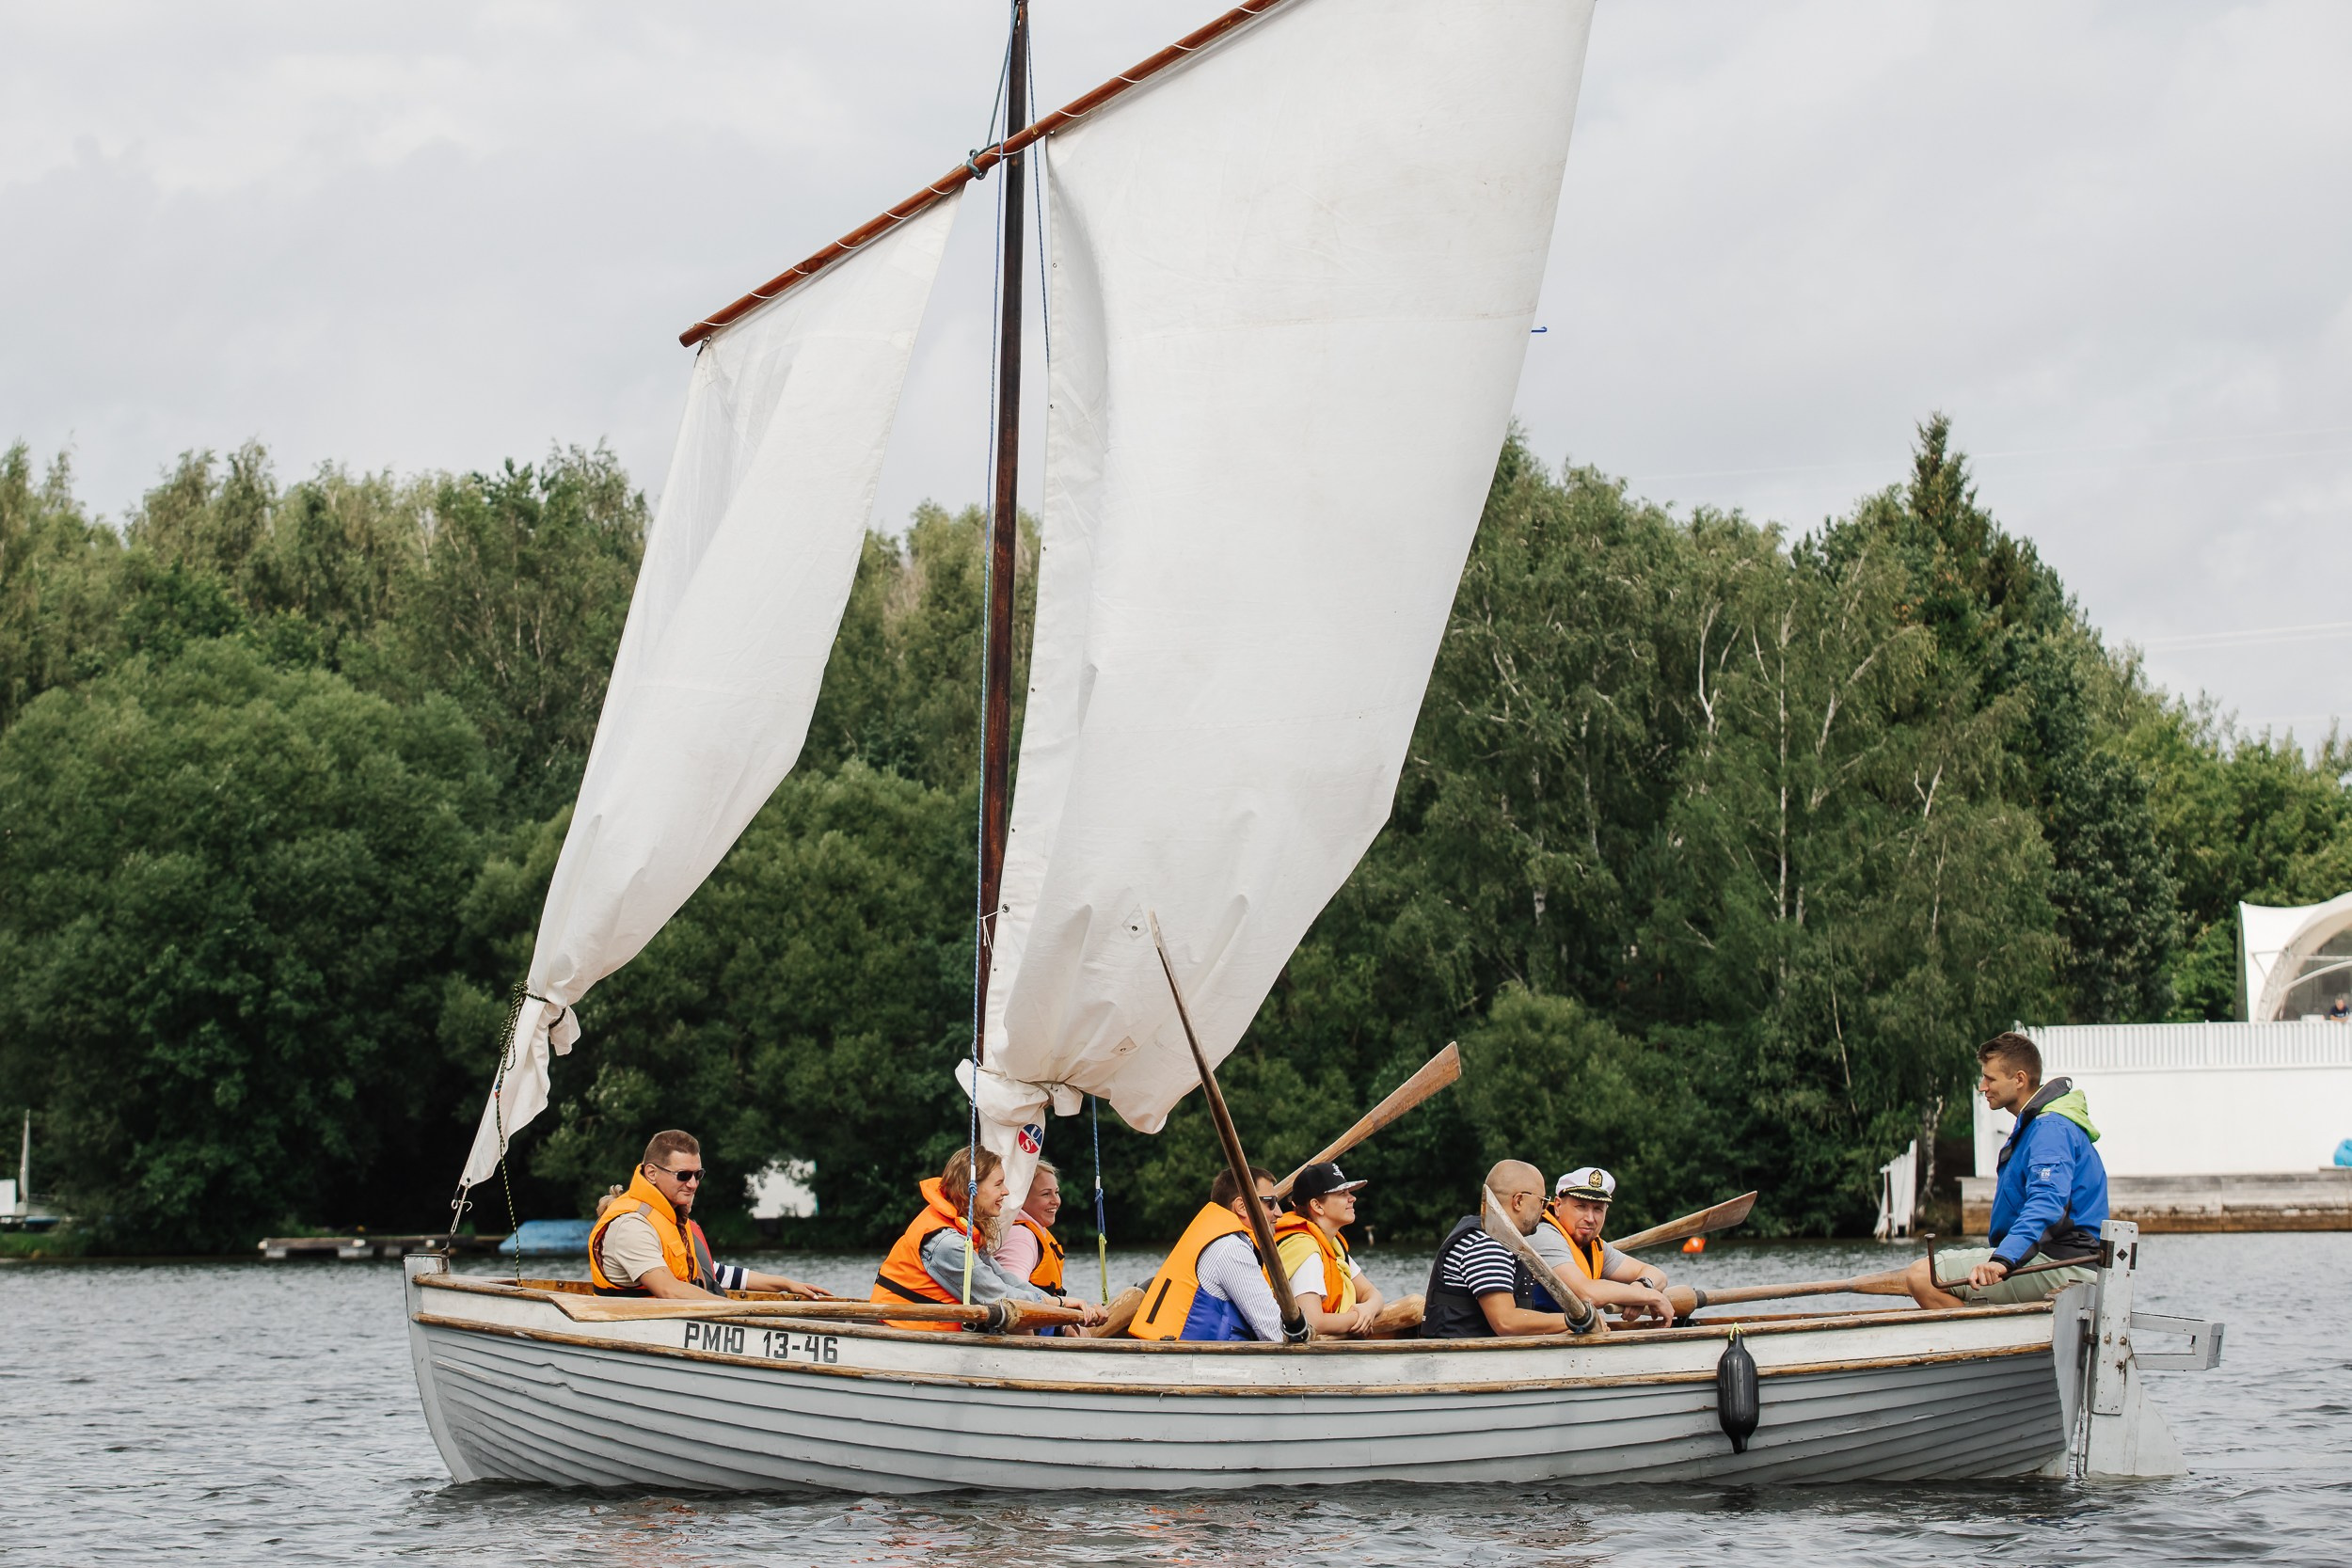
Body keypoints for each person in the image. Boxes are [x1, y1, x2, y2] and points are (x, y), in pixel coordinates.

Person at [1903, 1033, 2107, 1309]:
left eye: (1990, 1078)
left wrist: (2002, 1260)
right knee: (1926, 1275)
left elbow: (2046, 1202)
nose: (1982, 1086)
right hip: (2051, 1257)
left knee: (1922, 1277)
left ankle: (1982, 1351)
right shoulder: (2038, 1125)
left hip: (2066, 1263)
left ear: (2019, 1079)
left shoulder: (2050, 1129)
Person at [872, 1148, 1107, 1332]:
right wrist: (1061, 1307)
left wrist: (1057, 1302)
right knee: (1018, 1327)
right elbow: (998, 1295)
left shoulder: (965, 1231)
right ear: (971, 1189)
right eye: (998, 1184)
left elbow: (1004, 1278)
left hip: (933, 1335)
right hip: (905, 1332)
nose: (1006, 1192)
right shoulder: (948, 1244)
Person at [587, 1130, 833, 1300]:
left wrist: (784, 1283)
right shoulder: (632, 1224)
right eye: (683, 1175)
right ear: (651, 1173)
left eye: (698, 1175)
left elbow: (713, 1274)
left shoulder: (672, 1219)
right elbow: (668, 1290)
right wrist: (734, 1309)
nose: (693, 1184)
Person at [1131, 1165, 1290, 1341]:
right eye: (1271, 1203)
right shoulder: (1231, 1249)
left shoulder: (1217, 1238)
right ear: (1242, 1207)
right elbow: (1275, 1334)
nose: (1279, 1213)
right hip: (1195, 1363)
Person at [1529, 1166, 1675, 1322]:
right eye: (1581, 1207)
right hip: (1529, 1338)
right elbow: (1588, 1293)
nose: (1590, 1218)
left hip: (1568, 1334)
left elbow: (1657, 1274)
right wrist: (1649, 1297)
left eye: (1598, 1209)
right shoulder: (1543, 1235)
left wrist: (1641, 1288)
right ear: (1558, 1206)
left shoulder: (1595, 1247)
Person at [1274, 1163, 1387, 1337]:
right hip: (1304, 1357)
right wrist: (1358, 1317)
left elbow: (1372, 1293)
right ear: (1317, 1206)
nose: (1352, 1198)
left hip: (1328, 1345)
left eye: (1349, 1192)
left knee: (1415, 1303)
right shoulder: (1305, 1249)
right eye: (1342, 1193)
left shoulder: (1333, 1244)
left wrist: (1369, 1309)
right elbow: (1312, 1322)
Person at [993, 1158, 1069, 1299]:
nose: (1056, 1201)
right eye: (1046, 1194)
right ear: (1021, 1198)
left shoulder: (1032, 1231)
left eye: (1056, 1192)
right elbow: (1011, 1296)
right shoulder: (1020, 1237)